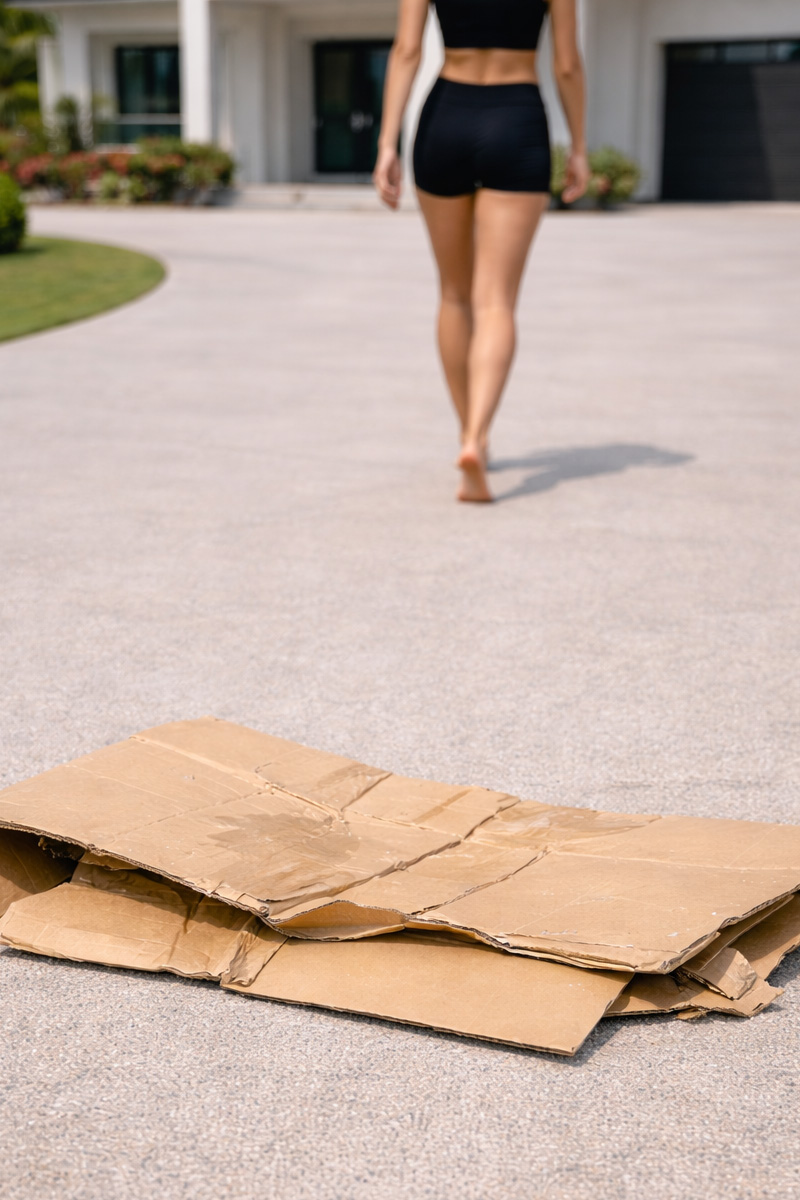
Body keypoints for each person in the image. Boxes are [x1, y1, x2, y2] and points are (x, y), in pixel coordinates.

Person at [373, 0, 589, 502]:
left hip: (445, 117)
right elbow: (566, 64)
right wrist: (578, 146)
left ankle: (470, 434)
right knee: (496, 301)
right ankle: (476, 435)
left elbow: (406, 50)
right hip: (517, 120)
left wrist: (387, 143)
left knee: (454, 295)